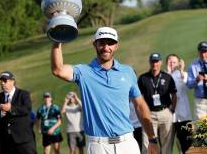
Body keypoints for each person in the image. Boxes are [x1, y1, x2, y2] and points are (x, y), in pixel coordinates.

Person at [51, 26, 158, 154]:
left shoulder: (128, 72)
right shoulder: (83, 72)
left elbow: (140, 105)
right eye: (101, 43)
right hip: (98, 146)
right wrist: (57, 40)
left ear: (116, 46)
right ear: (95, 44)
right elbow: (58, 70)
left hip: (127, 144)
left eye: (110, 43)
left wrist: (152, 139)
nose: (106, 47)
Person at [138, 53, 177, 154]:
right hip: (149, 113)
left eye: (156, 61)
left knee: (167, 143)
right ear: (149, 62)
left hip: (165, 112)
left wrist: (172, 110)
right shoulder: (143, 78)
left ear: (160, 62)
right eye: (152, 61)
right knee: (147, 143)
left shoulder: (167, 77)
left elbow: (174, 95)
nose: (154, 64)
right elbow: (139, 98)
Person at [0, 71, 37, 154]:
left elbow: (27, 109)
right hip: (5, 141)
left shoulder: (23, 94)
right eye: (1, 81)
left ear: (12, 81)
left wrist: (11, 108)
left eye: (5, 81)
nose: (2, 83)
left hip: (23, 139)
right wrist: (0, 113)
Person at [166, 54, 192, 153]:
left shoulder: (183, 74)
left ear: (178, 64)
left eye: (174, 62)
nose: (172, 64)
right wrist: (168, 73)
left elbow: (187, 86)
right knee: (168, 146)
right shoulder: (163, 76)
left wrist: (181, 70)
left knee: (186, 145)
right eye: (170, 62)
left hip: (183, 116)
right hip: (170, 117)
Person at [187, 41, 207, 119]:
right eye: (201, 52)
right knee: (203, 128)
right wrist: (196, 80)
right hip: (200, 103)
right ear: (198, 52)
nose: (203, 54)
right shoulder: (193, 66)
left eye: (205, 52)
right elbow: (189, 85)